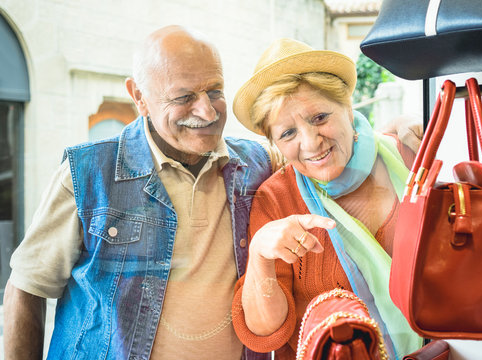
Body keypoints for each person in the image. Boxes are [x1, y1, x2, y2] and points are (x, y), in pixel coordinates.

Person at [3, 25, 282, 360]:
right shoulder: (87, 172)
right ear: (139, 97)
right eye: (184, 97)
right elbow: (28, 287)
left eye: (214, 91)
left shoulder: (259, 164)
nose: (207, 112)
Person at [230, 38, 422, 360]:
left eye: (319, 117)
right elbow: (265, 332)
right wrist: (261, 256)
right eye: (288, 133)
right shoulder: (276, 199)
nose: (310, 142)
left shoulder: (407, 152)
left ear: (347, 107)